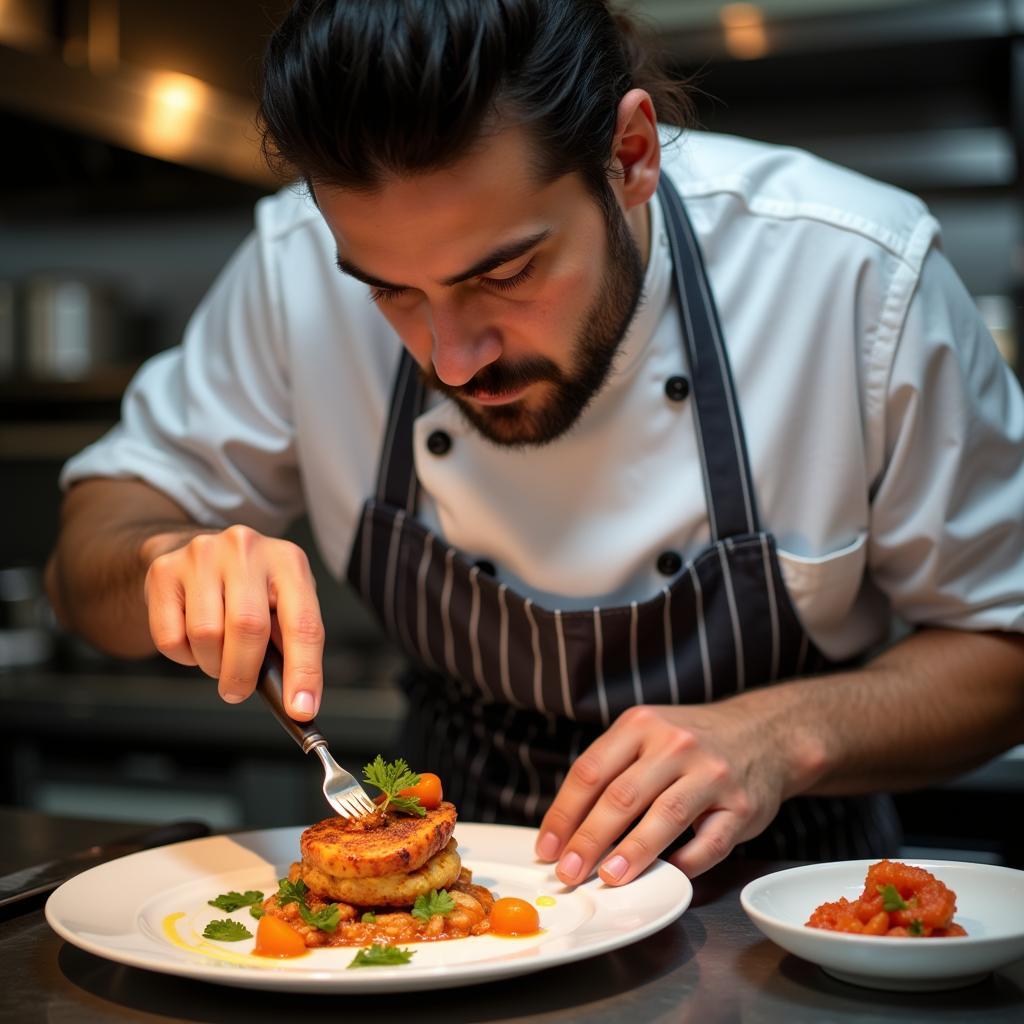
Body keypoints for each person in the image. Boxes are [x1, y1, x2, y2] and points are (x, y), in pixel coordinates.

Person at [46, 0, 1024, 887]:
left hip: (782, 903)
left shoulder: (850, 275)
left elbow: (1006, 641)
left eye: (504, 271)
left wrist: (788, 731)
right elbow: (86, 555)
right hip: (445, 897)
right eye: (388, 288)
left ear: (631, 155)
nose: (452, 359)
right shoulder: (290, 268)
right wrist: (162, 560)